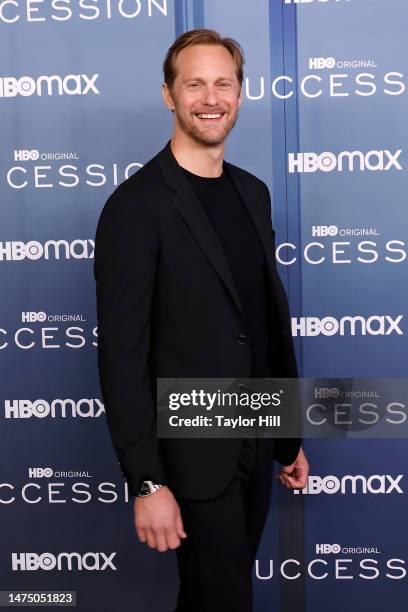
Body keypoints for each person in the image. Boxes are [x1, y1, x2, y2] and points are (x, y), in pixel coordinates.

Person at [94, 28, 309, 612]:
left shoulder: (253, 193)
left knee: (213, 596)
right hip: (189, 453)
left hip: (254, 434)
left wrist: (287, 439)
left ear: (240, 93)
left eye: (223, 84)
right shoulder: (135, 207)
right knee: (225, 599)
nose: (210, 98)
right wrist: (146, 481)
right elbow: (123, 353)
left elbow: (262, 321)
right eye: (194, 84)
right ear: (169, 94)